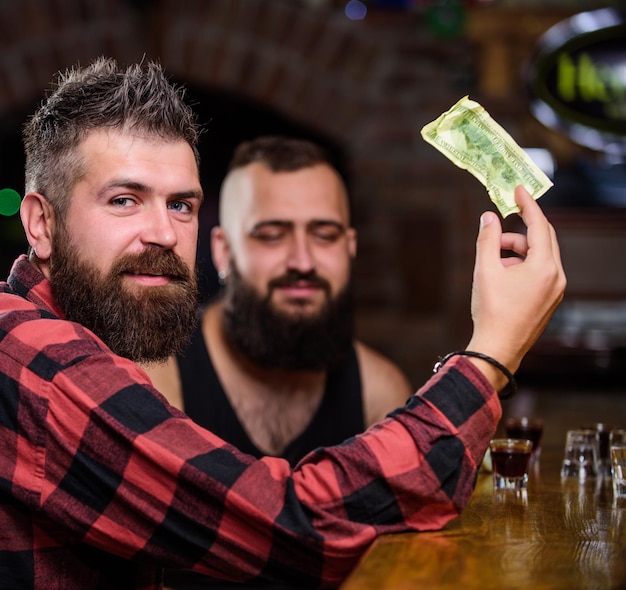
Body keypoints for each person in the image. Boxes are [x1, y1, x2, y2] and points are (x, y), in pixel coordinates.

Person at [0, 56, 566, 590]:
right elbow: (295, 528)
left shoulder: (80, 343)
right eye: (124, 200)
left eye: (181, 205)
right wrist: (490, 355)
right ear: (40, 224)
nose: (165, 235)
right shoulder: (38, 361)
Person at [145, 136, 413, 471]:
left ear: (350, 248)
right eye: (271, 235)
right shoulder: (157, 379)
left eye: (325, 235)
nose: (302, 261)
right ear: (222, 250)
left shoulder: (379, 393)